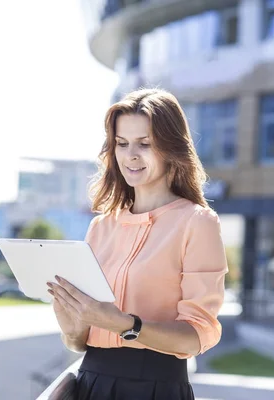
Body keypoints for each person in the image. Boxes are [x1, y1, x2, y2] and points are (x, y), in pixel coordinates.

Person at [47, 88, 228, 400]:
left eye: (144, 144)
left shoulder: (197, 222)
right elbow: (80, 342)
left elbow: (197, 335)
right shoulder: (101, 227)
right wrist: (72, 324)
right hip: (91, 384)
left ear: (171, 148)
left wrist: (124, 324)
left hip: (155, 389)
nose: (131, 155)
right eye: (122, 144)